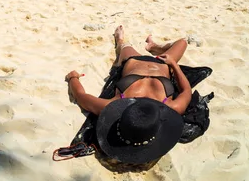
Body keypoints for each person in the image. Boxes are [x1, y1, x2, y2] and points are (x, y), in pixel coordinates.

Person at [65, 25, 192, 164]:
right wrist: (173, 64)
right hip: (162, 63)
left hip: (133, 61)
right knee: (183, 42)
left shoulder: (114, 104)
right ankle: (150, 46)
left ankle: (143, 44)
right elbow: (186, 91)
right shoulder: (171, 107)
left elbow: (81, 97)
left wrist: (73, 78)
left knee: (124, 45)